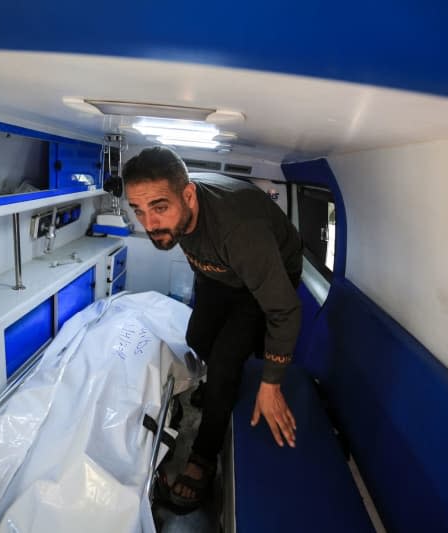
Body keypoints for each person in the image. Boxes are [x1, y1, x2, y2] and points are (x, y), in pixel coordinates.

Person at [122, 146, 302, 513]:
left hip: (263, 281)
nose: (150, 224)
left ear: (188, 195)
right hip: (220, 271)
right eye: (138, 210)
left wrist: (272, 384)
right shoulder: (183, 211)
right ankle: (219, 387)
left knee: (223, 363)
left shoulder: (240, 230)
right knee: (197, 338)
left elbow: (284, 309)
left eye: (159, 207)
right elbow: (196, 246)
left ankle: (203, 457)